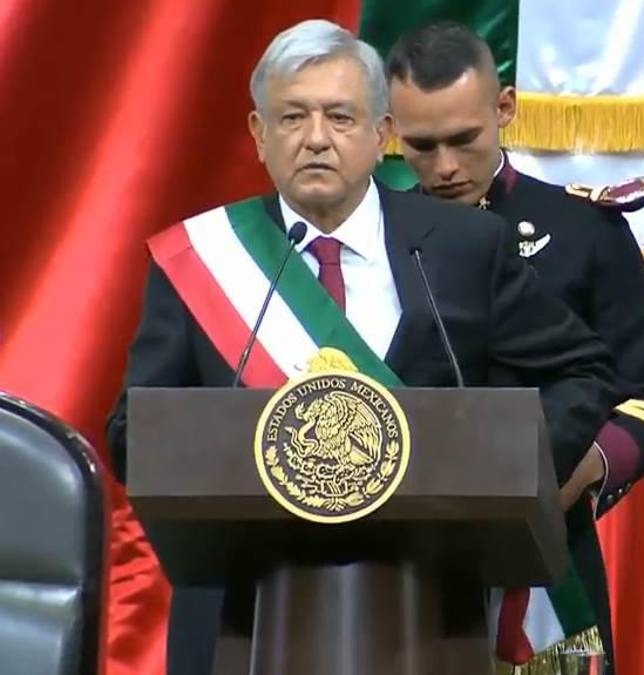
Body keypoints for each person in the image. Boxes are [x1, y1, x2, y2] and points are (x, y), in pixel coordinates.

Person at [105, 19, 616, 675]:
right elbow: (133, 433)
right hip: (243, 615)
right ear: (259, 135)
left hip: (433, 608)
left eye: (340, 117)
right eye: (292, 117)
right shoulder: (201, 260)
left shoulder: (463, 247)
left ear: (381, 135)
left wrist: (512, 462)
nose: (316, 138)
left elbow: (583, 373)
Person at [385, 22, 644, 672]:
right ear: (390, 130)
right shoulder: (375, 237)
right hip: (401, 560)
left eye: (464, 139)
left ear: (505, 107)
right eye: (421, 146)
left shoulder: (585, 230)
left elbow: (642, 401)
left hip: (550, 557)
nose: (445, 167)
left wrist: (559, 486)